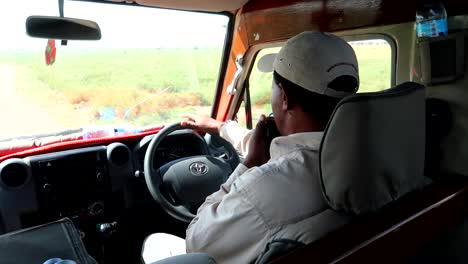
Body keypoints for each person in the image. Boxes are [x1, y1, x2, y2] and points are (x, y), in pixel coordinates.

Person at [141, 31, 359, 264]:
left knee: (154, 243)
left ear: (284, 98)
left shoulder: (262, 189)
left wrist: (248, 165)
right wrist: (219, 127)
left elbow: (198, 242)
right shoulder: (362, 152)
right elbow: (292, 151)